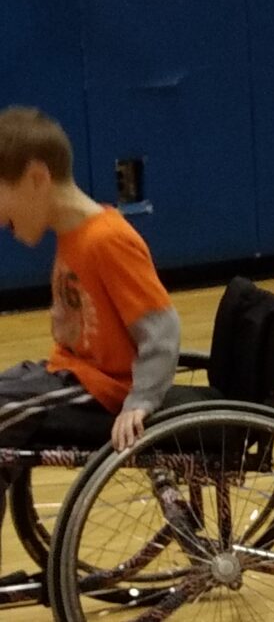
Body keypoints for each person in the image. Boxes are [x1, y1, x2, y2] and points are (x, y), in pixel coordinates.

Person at [0, 106, 180, 572]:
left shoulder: (106, 239)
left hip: (100, 391)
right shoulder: (74, 234)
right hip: (70, 375)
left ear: (37, 177)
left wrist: (141, 401)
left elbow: (161, 329)